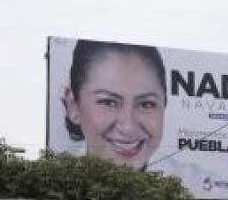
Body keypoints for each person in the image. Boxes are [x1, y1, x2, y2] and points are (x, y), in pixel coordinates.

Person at [62, 40, 167, 171]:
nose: (128, 128)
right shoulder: (54, 183)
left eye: (146, 104)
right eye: (108, 102)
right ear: (73, 105)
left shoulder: (195, 182)